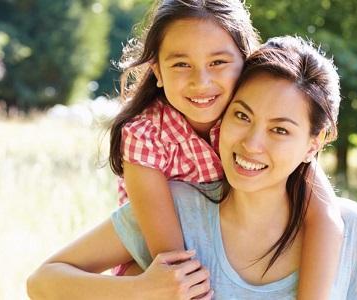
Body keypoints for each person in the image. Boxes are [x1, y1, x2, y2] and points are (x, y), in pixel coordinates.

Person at [27, 36, 357, 299]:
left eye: (279, 130)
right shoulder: (178, 208)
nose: (251, 144)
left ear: (315, 142)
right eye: (242, 115)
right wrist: (139, 289)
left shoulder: (354, 233)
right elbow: (43, 281)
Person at [109, 1, 343, 298]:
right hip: (154, 265)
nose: (201, 82)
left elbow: (325, 215)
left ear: (245, 62)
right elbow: (175, 267)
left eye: (218, 62)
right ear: (157, 70)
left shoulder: (250, 121)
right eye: (181, 64)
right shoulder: (146, 135)